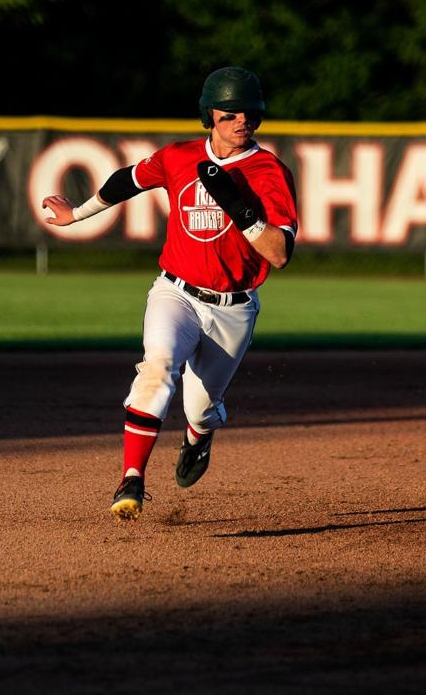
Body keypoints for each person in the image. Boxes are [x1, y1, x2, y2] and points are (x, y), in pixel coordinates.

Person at [41, 66, 298, 521]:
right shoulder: (180, 156)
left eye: (249, 113)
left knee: (200, 411)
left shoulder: (269, 172)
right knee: (157, 368)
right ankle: (131, 479)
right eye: (229, 114)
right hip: (175, 292)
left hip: (234, 308)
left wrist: (238, 207)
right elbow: (127, 180)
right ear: (209, 116)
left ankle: (199, 436)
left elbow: (279, 254)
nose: (241, 121)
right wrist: (76, 214)